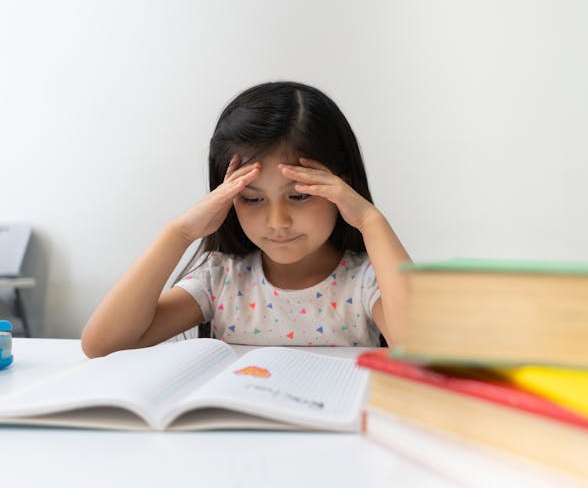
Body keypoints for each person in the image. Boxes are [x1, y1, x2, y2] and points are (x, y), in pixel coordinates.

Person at [81, 81, 411, 358]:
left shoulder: (367, 281)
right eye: (252, 198)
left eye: (299, 195)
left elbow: (421, 352)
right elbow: (103, 345)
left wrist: (370, 220)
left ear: (343, 187)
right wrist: (179, 233)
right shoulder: (222, 277)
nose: (277, 221)